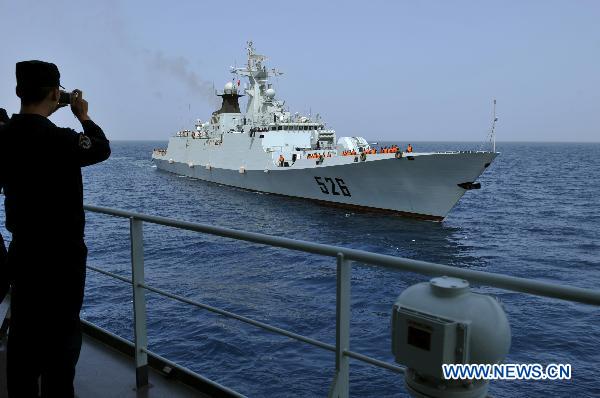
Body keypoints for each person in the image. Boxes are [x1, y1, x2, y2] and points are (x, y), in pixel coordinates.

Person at [0, 60, 111, 397]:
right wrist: (81, 113)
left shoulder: (5, 136)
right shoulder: (61, 140)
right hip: (62, 261)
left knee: (22, 341)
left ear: (19, 92)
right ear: (54, 92)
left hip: (23, 253)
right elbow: (101, 147)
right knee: (60, 353)